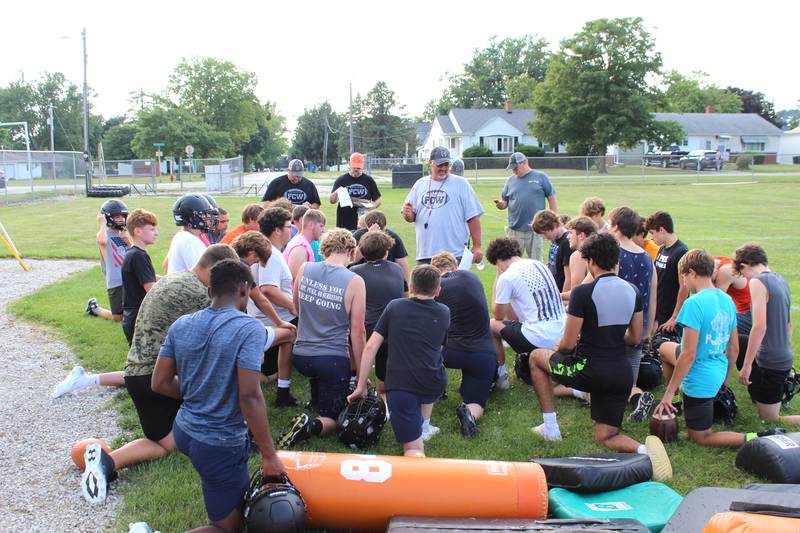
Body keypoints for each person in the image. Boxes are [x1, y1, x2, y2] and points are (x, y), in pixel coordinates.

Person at [77, 244, 239, 504]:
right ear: (215, 271)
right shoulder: (199, 294)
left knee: (166, 435)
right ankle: (108, 461)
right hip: (158, 379)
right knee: (170, 443)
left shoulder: (175, 279)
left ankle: (107, 461)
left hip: (136, 373)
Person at [151, 259, 286, 532]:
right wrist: (270, 455)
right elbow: (250, 396)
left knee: (221, 491)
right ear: (245, 291)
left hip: (185, 431)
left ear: (210, 291)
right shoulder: (249, 329)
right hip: (218, 442)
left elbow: (159, 382)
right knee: (227, 529)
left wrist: (197, 395)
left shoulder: (182, 324)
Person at [528, 234, 672, 482]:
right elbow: (636, 337)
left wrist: (557, 346)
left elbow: (568, 344)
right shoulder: (633, 291)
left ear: (592, 261)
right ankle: (645, 451)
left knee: (535, 358)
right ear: (616, 261)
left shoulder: (583, 293)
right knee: (606, 437)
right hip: (621, 375)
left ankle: (550, 427)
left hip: (588, 370)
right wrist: (611, 336)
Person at [653, 249, 784, 447]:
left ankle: (757, 437)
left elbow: (689, 354)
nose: (684, 283)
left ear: (692, 273)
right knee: (664, 349)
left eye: (683, 278)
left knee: (701, 437)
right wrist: (725, 380)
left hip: (700, 377)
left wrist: (669, 392)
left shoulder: (693, 303)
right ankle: (682, 399)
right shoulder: (727, 300)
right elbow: (734, 348)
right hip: (718, 369)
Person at [348, 265, 450, 457]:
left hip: (401, 386)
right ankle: (424, 426)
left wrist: (360, 385)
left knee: (413, 449)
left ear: (411, 286)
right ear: (438, 291)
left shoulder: (395, 306)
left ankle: (417, 446)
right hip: (434, 382)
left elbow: (371, 347)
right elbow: (439, 347)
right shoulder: (444, 311)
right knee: (429, 375)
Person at [279, 229, 367, 448]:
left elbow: (297, 308)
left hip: (301, 355)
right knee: (335, 421)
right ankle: (310, 425)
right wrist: (362, 379)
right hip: (332, 359)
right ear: (350, 250)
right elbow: (358, 333)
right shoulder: (355, 281)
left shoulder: (305, 268)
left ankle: (316, 403)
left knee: (322, 382)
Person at [487, 237, 567, 391]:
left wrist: (498, 280)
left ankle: (501, 375)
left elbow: (498, 316)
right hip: (562, 332)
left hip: (540, 336)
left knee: (491, 325)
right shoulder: (538, 264)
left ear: (498, 260)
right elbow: (515, 318)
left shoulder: (507, 276)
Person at [734, 243, 800, 425]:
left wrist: (747, 365)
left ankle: (776, 396)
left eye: (742, 274)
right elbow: (789, 324)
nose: (745, 279)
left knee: (770, 418)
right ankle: (778, 390)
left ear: (745, 265)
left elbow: (759, 326)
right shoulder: (780, 279)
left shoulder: (757, 282)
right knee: (739, 340)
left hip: (771, 361)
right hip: (783, 355)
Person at [431, 252, 495, 437]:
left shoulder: (436, 288)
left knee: (430, 353)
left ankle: (436, 389)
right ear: (456, 267)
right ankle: (470, 415)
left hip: (448, 352)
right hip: (482, 353)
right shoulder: (471, 277)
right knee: (475, 401)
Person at [607, 207, 657, 422]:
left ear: (616, 226)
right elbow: (653, 293)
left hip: (614, 325)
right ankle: (637, 396)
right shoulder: (646, 256)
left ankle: (628, 395)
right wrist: (647, 330)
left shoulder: (613, 253)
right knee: (630, 375)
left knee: (606, 384)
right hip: (639, 325)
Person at [401, 146, 483, 265]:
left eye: (447, 164)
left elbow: (473, 217)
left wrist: (477, 246)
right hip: (425, 253)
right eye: (440, 165)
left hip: (454, 254)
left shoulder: (461, 184)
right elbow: (411, 216)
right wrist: (408, 215)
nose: (444, 168)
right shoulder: (420, 184)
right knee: (423, 284)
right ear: (430, 163)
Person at [349, 231, 407, 398]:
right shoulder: (396, 269)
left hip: (367, 329)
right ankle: (382, 391)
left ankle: (356, 375)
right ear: (386, 252)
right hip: (393, 329)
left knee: (350, 334)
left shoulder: (355, 271)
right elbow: (404, 295)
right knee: (383, 365)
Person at [254, 207, 300, 404]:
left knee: (288, 342)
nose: (292, 230)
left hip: (269, 317)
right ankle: (282, 391)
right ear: (277, 231)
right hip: (271, 318)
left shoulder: (268, 250)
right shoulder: (271, 254)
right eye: (289, 226)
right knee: (292, 334)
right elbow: (268, 289)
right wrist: (292, 307)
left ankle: (283, 391)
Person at [493, 152, 557, 261]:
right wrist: (501, 205)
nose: (514, 170)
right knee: (512, 262)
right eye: (512, 168)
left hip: (536, 230)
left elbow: (551, 197)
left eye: (516, 167)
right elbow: (505, 201)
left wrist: (554, 218)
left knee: (536, 262)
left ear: (525, 162)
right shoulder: (510, 181)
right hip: (515, 229)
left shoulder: (540, 177)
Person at [86, 200, 130, 321]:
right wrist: (102, 224)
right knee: (118, 317)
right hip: (116, 281)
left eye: (122, 216)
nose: (121, 219)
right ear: (108, 218)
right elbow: (102, 241)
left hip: (130, 278)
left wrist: (128, 240)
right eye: (117, 216)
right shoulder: (105, 234)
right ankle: (94, 309)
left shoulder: (125, 233)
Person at [120, 208, 159, 345]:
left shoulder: (134, 253)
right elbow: (151, 288)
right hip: (138, 318)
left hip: (132, 316)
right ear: (138, 231)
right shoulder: (138, 256)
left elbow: (150, 277)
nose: (157, 233)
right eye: (152, 229)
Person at [645, 211, 689, 332]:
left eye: (652, 233)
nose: (652, 237)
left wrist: (675, 317)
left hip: (672, 316)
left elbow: (684, 287)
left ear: (662, 230)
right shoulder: (662, 249)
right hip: (661, 312)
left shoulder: (681, 252)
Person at [351, 210, 411, 288]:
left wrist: (406, 288)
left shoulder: (393, 237)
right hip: (362, 278)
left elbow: (403, 264)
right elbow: (351, 259)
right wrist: (369, 236)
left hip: (386, 278)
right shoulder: (358, 235)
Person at [329, 152, 382, 230]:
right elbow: (332, 201)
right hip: (344, 221)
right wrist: (337, 191)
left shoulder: (369, 180)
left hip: (362, 221)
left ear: (363, 166)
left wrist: (370, 208)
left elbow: (378, 200)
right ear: (349, 164)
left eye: (358, 168)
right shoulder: (341, 180)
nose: (356, 170)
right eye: (354, 167)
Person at [165, 194, 215, 274]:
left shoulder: (183, 236)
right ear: (193, 218)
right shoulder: (190, 241)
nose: (209, 217)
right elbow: (202, 274)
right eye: (204, 214)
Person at [532, 209, 571, 292]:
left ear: (554, 225)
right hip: (554, 286)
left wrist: (562, 298)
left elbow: (569, 277)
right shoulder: (554, 238)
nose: (543, 237)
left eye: (544, 233)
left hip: (561, 290)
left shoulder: (566, 242)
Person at [561, 216, 598, 298]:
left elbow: (576, 295)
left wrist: (555, 297)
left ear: (581, 235)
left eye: (570, 233)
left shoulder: (578, 256)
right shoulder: (603, 252)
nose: (567, 237)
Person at [284, 209, 326, 281]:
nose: (323, 230)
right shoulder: (300, 248)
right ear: (311, 225)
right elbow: (295, 279)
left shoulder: (302, 242)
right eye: (321, 226)